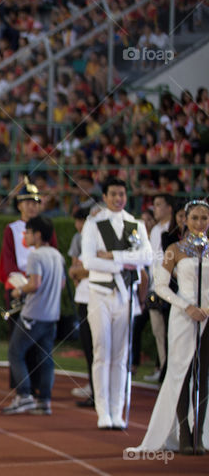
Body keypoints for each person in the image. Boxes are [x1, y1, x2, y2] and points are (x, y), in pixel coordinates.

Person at [127, 200, 209, 455]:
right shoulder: (175, 249)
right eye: (194, 218)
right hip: (184, 317)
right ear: (185, 220)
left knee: (204, 376)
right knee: (181, 373)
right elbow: (160, 286)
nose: (199, 223)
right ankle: (184, 435)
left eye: (204, 218)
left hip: (208, 318)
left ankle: (200, 435)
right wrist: (187, 307)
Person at [80, 177, 152, 429]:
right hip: (100, 294)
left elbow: (147, 256)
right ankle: (103, 411)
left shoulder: (136, 224)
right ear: (106, 196)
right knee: (102, 352)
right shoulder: (94, 223)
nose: (118, 198)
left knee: (121, 355)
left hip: (126, 296)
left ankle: (117, 410)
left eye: (122, 194)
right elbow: (88, 262)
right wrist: (126, 262)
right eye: (113, 194)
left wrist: (113, 255)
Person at [0, 178, 57, 397]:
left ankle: (39, 387)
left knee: (41, 345)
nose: (32, 205)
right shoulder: (11, 229)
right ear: (19, 205)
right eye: (27, 201)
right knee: (18, 340)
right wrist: (21, 284)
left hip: (41, 290)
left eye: (35, 202)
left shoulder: (47, 227)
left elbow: (54, 257)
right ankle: (22, 387)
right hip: (19, 287)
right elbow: (8, 262)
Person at [2, 216, 66, 416]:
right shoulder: (58, 255)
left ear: (37, 235)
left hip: (33, 314)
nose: (26, 236)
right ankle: (44, 400)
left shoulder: (35, 256)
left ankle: (23, 395)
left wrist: (19, 290)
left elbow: (34, 284)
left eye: (28, 232)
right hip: (52, 315)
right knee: (46, 357)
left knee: (15, 352)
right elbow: (62, 284)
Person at [68, 206, 97, 406]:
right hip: (85, 297)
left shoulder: (97, 238)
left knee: (99, 348)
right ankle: (95, 387)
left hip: (98, 298)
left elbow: (87, 268)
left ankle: (98, 391)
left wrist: (84, 270)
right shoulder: (79, 239)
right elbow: (74, 270)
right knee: (90, 347)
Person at [146, 193, 175, 382]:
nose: (155, 208)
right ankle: (163, 368)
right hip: (154, 287)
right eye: (154, 204)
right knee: (158, 331)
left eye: (158, 204)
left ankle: (168, 372)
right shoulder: (155, 230)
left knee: (169, 332)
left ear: (169, 208)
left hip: (169, 289)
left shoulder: (173, 230)